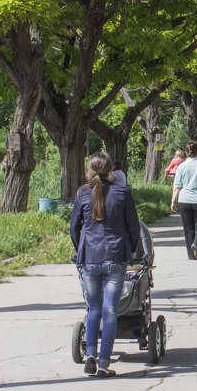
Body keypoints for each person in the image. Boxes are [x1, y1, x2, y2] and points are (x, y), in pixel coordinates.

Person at [70, 152, 141, 378]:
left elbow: (74, 228)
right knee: (110, 310)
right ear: (111, 171)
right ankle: (103, 363)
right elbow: (134, 228)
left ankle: (91, 354)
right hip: (115, 257)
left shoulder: (82, 193)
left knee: (93, 309)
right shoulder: (123, 193)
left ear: (88, 173)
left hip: (89, 257)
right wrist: (129, 249)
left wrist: (79, 249)